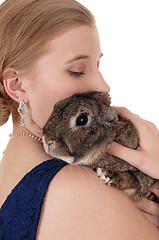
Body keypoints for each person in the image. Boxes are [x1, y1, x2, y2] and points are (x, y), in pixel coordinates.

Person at [0, 0, 159, 239]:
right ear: (17, 85)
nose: (103, 85)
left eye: (98, 64)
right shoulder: (83, 188)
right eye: (77, 70)